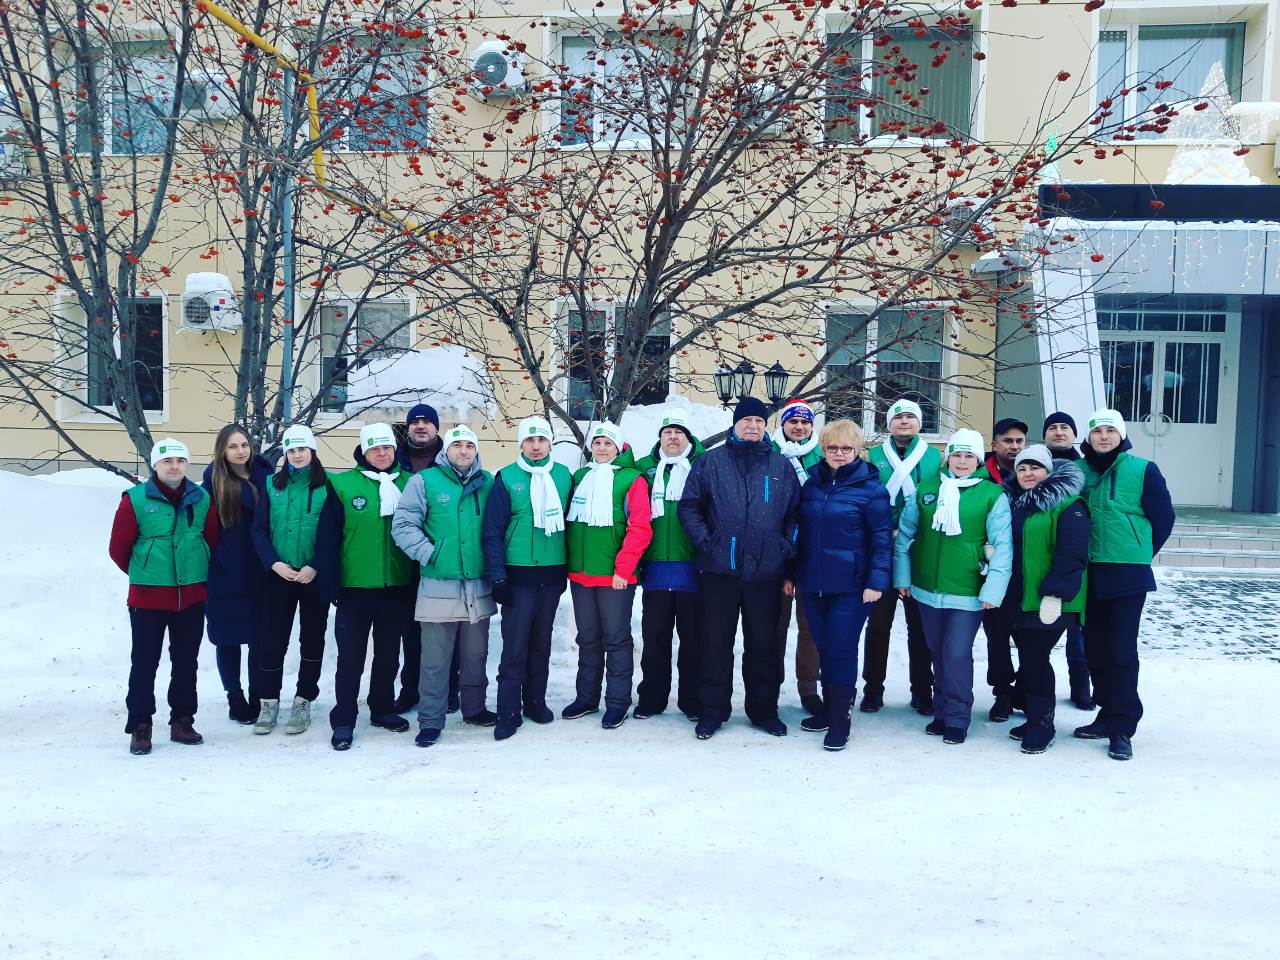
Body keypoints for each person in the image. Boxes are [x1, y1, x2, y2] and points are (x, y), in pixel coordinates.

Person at [678, 397, 802, 740]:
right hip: (720, 570)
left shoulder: (780, 465)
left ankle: (764, 711)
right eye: (746, 420)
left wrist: (785, 545)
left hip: (766, 572)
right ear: (735, 424)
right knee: (715, 643)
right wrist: (707, 542)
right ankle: (712, 711)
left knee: (764, 645)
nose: (753, 425)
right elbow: (689, 507)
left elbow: (796, 513)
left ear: (766, 426)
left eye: (759, 421)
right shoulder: (711, 461)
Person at [894, 428, 1012, 745]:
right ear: (948, 457)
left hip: (967, 589)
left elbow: (1002, 546)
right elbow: (906, 534)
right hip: (926, 588)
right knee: (937, 652)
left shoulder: (991, 495)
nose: (961, 461)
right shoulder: (927, 488)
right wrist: (902, 576)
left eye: (968, 456)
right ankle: (942, 712)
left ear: (978, 460)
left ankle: (958, 718)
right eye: (956, 454)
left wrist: (993, 589)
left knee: (956, 654)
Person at [1073, 409, 1174, 761]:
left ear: (1121, 435)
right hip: (1087, 571)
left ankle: (1122, 727)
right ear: (1088, 437)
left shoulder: (1143, 470)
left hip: (1126, 573)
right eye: (1097, 431)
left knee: (1120, 651)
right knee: (1095, 649)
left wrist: (1139, 551)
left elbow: (1163, 519)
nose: (1103, 436)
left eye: (1110, 430)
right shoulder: (1077, 471)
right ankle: (1106, 713)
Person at [786, 420, 892, 751]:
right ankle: (829, 710)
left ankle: (840, 719)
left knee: (842, 648)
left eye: (847, 448)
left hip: (852, 585)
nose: (839, 454)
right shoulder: (812, 485)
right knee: (824, 647)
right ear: (823, 449)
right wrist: (791, 573)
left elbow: (881, 539)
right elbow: (798, 533)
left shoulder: (872, 489)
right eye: (833, 448)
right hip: (813, 582)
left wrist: (876, 581)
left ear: (857, 450)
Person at [108, 438, 219, 755]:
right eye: (167, 461)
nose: (174, 466)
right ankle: (140, 725)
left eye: (180, 461)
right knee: (144, 663)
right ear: (155, 465)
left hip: (191, 596)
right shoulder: (135, 500)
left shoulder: (201, 498)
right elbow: (118, 549)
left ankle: (182, 721)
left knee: (186, 663)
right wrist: (146, 573)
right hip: (148, 599)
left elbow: (211, 539)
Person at [392, 425, 498, 747]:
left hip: (477, 584)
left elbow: (498, 525)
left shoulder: (488, 482)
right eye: (457, 445)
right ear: (446, 450)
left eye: (469, 446)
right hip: (439, 584)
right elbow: (403, 525)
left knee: (475, 655)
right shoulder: (424, 481)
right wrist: (430, 554)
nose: (463, 451)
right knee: (435, 660)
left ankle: (474, 708)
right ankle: (430, 720)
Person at [315, 422, 417, 751]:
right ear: (363, 452)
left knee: (388, 655)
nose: (382, 453)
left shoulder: (411, 483)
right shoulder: (343, 484)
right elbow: (327, 538)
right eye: (375, 448)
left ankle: (382, 708)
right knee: (351, 658)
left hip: (396, 586)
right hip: (354, 588)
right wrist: (330, 582)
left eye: (387, 447)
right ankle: (344, 718)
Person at [995, 445, 1090, 754]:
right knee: (1029, 658)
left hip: (1050, 599)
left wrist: (1055, 593)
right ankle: (1035, 715)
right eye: (1022, 468)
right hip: (1020, 597)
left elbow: (1072, 553)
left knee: (1035, 659)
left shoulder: (1068, 505)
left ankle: (1043, 724)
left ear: (1048, 472)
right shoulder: (1016, 503)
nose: (1027, 473)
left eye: (1034, 467)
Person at [482, 416, 572, 741]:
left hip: (551, 573)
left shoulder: (563, 476)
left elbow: (572, 524)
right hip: (518, 575)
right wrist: (498, 577)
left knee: (541, 643)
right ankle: (508, 710)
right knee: (515, 645)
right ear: (521, 444)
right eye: (529, 440)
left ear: (550, 443)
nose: (536, 446)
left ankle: (535, 701)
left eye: (542, 440)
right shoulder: (506, 477)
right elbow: (492, 531)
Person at [561, 422, 653, 729]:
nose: (601, 448)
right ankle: (586, 698)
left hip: (615, 577)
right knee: (587, 638)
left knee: (615, 639)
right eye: (597, 443)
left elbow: (640, 527)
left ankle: (617, 702)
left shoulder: (631, 479)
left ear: (619, 447)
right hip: (582, 575)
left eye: (608, 443)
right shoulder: (581, 477)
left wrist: (623, 569)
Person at [250, 424, 331, 736]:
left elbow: (334, 533)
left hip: (313, 576)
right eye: (292, 450)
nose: (297, 455)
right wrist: (274, 563)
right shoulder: (272, 485)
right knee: (272, 640)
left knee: (312, 638)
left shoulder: (328, 486)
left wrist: (316, 566)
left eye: (302, 449)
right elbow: (258, 530)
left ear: (312, 451)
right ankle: (268, 702)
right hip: (279, 575)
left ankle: (303, 701)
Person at [863, 398, 941, 715]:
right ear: (889, 423)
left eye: (910, 416)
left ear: (920, 423)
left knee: (919, 627)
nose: (904, 421)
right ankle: (872, 689)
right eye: (898, 417)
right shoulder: (873, 456)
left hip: (919, 549)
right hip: (881, 549)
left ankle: (922, 690)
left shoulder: (936, 457)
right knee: (878, 624)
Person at [633, 410, 706, 721]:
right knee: (654, 640)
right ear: (660, 437)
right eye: (668, 432)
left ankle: (692, 699)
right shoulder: (643, 468)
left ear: (689, 437)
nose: (673, 437)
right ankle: (652, 698)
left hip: (692, 568)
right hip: (656, 569)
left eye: (679, 432)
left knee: (693, 641)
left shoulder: (704, 465)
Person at [202, 424, 272, 725]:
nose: (240, 451)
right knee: (227, 639)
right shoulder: (213, 484)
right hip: (225, 573)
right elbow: (203, 531)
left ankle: (257, 694)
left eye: (244, 445)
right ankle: (235, 696)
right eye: (232, 446)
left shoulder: (266, 477)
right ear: (222, 451)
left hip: (261, 570)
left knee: (259, 639)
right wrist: (216, 561)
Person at [393, 402, 459, 716]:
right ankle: (411, 690)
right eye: (415, 422)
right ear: (408, 428)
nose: (421, 426)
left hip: (443, 563)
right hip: (405, 561)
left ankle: (450, 690)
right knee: (411, 629)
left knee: (447, 628)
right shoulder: (394, 461)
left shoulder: (450, 459)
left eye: (427, 422)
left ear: (436, 427)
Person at [771, 398, 825, 726]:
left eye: (805, 422)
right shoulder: (771, 454)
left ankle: (808, 689)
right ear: (783, 425)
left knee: (810, 627)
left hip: (812, 554)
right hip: (776, 553)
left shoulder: (823, 456)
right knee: (774, 627)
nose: (800, 427)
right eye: (793, 421)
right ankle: (770, 688)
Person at [1041, 411, 1094, 711]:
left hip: (1078, 556)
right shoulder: (1036, 464)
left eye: (1065, 427)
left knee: (1079, 627)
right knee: (1038, 629)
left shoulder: (1086, 468)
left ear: (1074, 434)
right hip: (1041, 555)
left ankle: (1080, 686)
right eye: (1052, 427)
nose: (1059, 432)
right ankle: (1029, 687)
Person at [980, 417, 1029, 721]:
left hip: (1026, 570)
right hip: (991, 570)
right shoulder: (980, 474)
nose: (1014, 447)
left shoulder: (1035, 474)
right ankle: (1002, 692)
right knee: (997, 635)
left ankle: (1025, 689)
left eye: (1019, 441)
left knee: (1028, 636)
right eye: (1008, 441)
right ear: (994, 444)